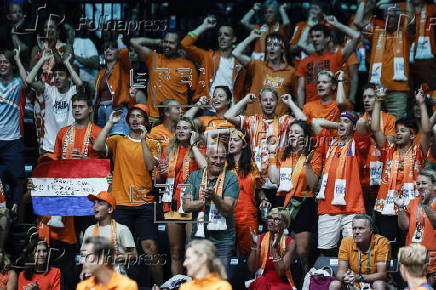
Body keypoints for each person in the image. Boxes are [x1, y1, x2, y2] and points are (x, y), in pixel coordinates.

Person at [93, 104, 164, 284]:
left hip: (145, 203)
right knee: (118, 249)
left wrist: (142, 139)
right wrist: (109, 123)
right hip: (121, 203)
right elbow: (97, 146)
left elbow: (150, 165)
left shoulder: (154, 143)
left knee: (150, 248)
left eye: (139, 116)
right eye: (132, 116)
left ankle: (160, 286)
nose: (135, 119)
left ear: (146, 121)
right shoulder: (118, 140)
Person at [225, 89, 306, 205]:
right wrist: (245, 100)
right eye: (265, 100)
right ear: (260, 103)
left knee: (276, 219)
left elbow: (303, 121)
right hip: (256, 181)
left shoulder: (284, 121)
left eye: (272, 100)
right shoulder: (252, 121)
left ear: (277, 102)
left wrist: (290, 103)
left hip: (279, 181)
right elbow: (228, 116)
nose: (268, 103)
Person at [371, 89, 430, 248]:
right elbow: (376, 129)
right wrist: (377, 100)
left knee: (409, 246)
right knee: (386, 247)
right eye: (396, 131)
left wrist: (422, 104)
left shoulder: (418, 152)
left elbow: (426, 130)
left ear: (412, 136)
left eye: (403, 131)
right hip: (387, 206)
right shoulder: (388, 150)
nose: (398, 134)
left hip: (412, 205)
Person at [267, 120, 321, 272]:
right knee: (277, 244)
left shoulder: (313, 154)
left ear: (306, 136)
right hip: (281, 201)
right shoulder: (281, 153)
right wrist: (271, 154)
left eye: (297, 132)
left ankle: (304, 279)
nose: (292, 135)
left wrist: (308, 165)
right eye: (291, 132)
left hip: (304, 202)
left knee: (302, 250)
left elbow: (313, 184)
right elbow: (274, 179)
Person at [315, 111, 370, 255]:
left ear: (354, 127)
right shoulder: (330, 143)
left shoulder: (357, 144)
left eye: (346, 121)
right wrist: (342, 124)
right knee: (326, 251)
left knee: (354, 250)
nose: (341, 123)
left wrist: (350, 126)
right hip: (327, 206)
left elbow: (363, 123)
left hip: (352, 207)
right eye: (340, 120)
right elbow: (315, 122)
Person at [157, 117, 207, 275]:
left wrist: (194, 146)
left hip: (192, 203)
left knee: (191, 250)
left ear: (193, 131)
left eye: (185, 128)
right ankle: (176, 283)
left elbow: (206, 168)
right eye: (178, 127)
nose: (180, 131)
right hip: (172, 202)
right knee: (175, 251)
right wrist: (161, 173)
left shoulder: (201, 148)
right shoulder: (168, 149)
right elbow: (159, 179)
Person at [183, 141, 239, 268]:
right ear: (206, 157)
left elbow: (228, 210)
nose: (218, 161)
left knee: (221, 280)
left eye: (222, 158)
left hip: (223, 239)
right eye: (214, 157)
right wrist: (204, 201)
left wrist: (214, 197)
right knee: (198, 279)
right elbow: (186, 206)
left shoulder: (231, 178)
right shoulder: (193, 177)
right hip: (198, 237)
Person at [354, 3, 412, 119]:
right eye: (386, 16)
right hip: (376, 90)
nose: (388, 19)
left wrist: (409, 2)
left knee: (396, 126)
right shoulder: (376, 32)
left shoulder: (406, 33)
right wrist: (364, 2)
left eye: (392, 16)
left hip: (397, 92)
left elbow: (411, 20)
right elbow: (358, 23)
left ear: (399, 18)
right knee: (376, 126)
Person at [130, 31, 198, 123]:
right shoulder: (154, 58)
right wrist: (158, 41)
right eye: (165, 42)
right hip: (154, 117)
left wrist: (188, 115)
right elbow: (134, 41)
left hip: (177, 118)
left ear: (178, 45)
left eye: (171, 43)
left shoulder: (188, 65)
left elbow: (195, 94)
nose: (167, 45)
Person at [26, 51, 83, 154]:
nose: (56, 77)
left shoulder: (72, 91)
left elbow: (80, 83)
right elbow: (29, 80)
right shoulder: (49, 90)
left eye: (61, 75)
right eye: (55, 75)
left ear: (69, 78)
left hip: (68, 146)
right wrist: (41, 61)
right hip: (49, 146)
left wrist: (67, 63)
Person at [296, 19, 360, 107]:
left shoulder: (336, 57)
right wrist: (300, 109)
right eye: (312, 37)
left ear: (327, 38)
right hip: (311, 109)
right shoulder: (304, 61)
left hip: (333, 108)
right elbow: (300, 89)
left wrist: (336, 23)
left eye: (318, 36)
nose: (314, 39)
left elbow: (357, 35)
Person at [181, 16, 245, 102]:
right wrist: (204, 26)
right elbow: (185, 44)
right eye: (219, 35)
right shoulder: (208, 57)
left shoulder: (240, 63)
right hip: (209, 109)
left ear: (233, 39)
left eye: (226, 35)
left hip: (230, 110)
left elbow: (243, 89)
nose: (222, 37)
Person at [227, 128, 269, 256]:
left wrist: (264, 200)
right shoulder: (222, 165)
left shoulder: (251, 166)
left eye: (235, 140)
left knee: (250, 253)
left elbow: (258, 190)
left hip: (248, 215)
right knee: (227, 254)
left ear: (244, 144)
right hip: (227, 215)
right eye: (229, 140)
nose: (231, 143)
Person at [232, 31, 295, 115]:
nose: (271, 47)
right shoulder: (257, 65)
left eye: (275, 45)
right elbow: (236, 52)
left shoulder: (291, 71)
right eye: (269, 45)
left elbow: (295, 98)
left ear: (282, 49)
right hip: (254, 121)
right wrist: (251, 37)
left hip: (278, 123)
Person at [357, 83, 396, 213]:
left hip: (382, 176)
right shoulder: (359, 120)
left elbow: (387, 145)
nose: (366, 100)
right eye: (364, 97)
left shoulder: (389, 119)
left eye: (371, 96)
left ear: (378, 98)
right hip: (362, 178)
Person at [82, 191, 136, 276]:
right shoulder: (89, 230)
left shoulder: (122, 229)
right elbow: (84, 255)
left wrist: (112, 258)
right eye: (94, 203)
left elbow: (133, 254)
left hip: (116, 277)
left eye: (100, 203)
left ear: (110, 209)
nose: (95, 206)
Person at [330, 214, 390, 290]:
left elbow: (382, 274)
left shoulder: (382, 242)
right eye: (354, 228)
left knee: (379, 284)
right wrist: (345, 277)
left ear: (371, 230)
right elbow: (340, 272)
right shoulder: (346, 242)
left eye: (361, 228)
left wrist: (360, 278)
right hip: (354, 282)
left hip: (374, 282)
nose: (356, 232)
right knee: (334, 284)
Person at [0, 48, 27, 216]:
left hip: (13, 139)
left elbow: (27, 82)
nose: (2, 65)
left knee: (18, 178)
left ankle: (16, 209)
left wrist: (18, 60)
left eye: (5, 62)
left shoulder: (17, 83)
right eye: (0, 62)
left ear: (11, 65)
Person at [398, 169, 436, 282]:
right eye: (418, 184)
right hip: (413, 257)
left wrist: (425, 204)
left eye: (424, 183)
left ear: (434, 185)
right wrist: (401, 208)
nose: (420, 187)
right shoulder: (413, 202)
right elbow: (404, 226)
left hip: (432, 258)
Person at [94, 36, 135, 136]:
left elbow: (124, 53)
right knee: (102, 141)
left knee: (118, 138)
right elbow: (97, 96)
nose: (108, 50)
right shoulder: (101, 72)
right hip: (101, 110)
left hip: (117, 108)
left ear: (118, 52)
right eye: (106, 48)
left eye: (112, 48)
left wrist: (119, 40)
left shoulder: (123, 67)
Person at [247, 207, 296, 290]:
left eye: (276, 219)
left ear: (285, 224)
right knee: (261, 281)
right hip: (261, 284)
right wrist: (255, 246)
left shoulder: (290, 242)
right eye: (270, 218)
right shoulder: (260, 238)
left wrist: (274, 250)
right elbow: (252, 269)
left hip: (281, 285)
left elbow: (281, 272)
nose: (271, 222)